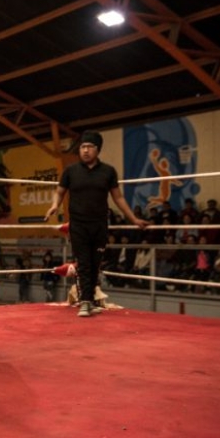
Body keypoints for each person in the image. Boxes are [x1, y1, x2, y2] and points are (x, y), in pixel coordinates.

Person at [44, 131, 148, 317]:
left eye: (89, 147)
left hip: (99, 224)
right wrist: (54, 206)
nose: (85, 150)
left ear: (97, 150)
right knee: (83, 263)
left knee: (95, 264)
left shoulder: (108, 171)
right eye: (83, 147)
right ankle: (86, 302)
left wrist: (133, 218)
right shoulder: (70, 171)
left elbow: (118, 197)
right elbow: (59, 192)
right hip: (78, 224)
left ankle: (89, 300)